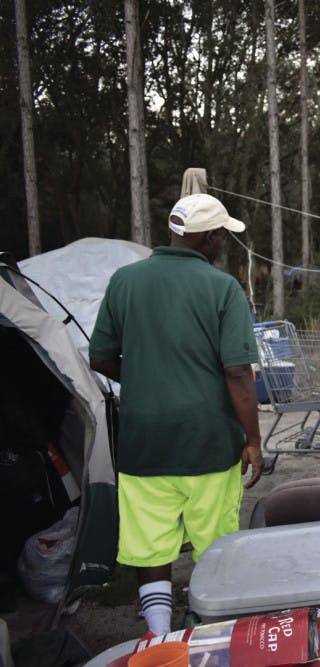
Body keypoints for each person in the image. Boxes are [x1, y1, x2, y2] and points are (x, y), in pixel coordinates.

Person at [89, 193, 263, 636]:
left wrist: (144, 379)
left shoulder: (125, 281)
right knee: (214, 543)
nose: (223, 243)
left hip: (143, 442)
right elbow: (238, 373)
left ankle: (160, 634)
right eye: (222, 236)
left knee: (151, 542)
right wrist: (254, 441)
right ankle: (205, 624)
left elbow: (100, 357)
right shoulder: (222, 287)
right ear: (208, 238)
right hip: (209, 440)